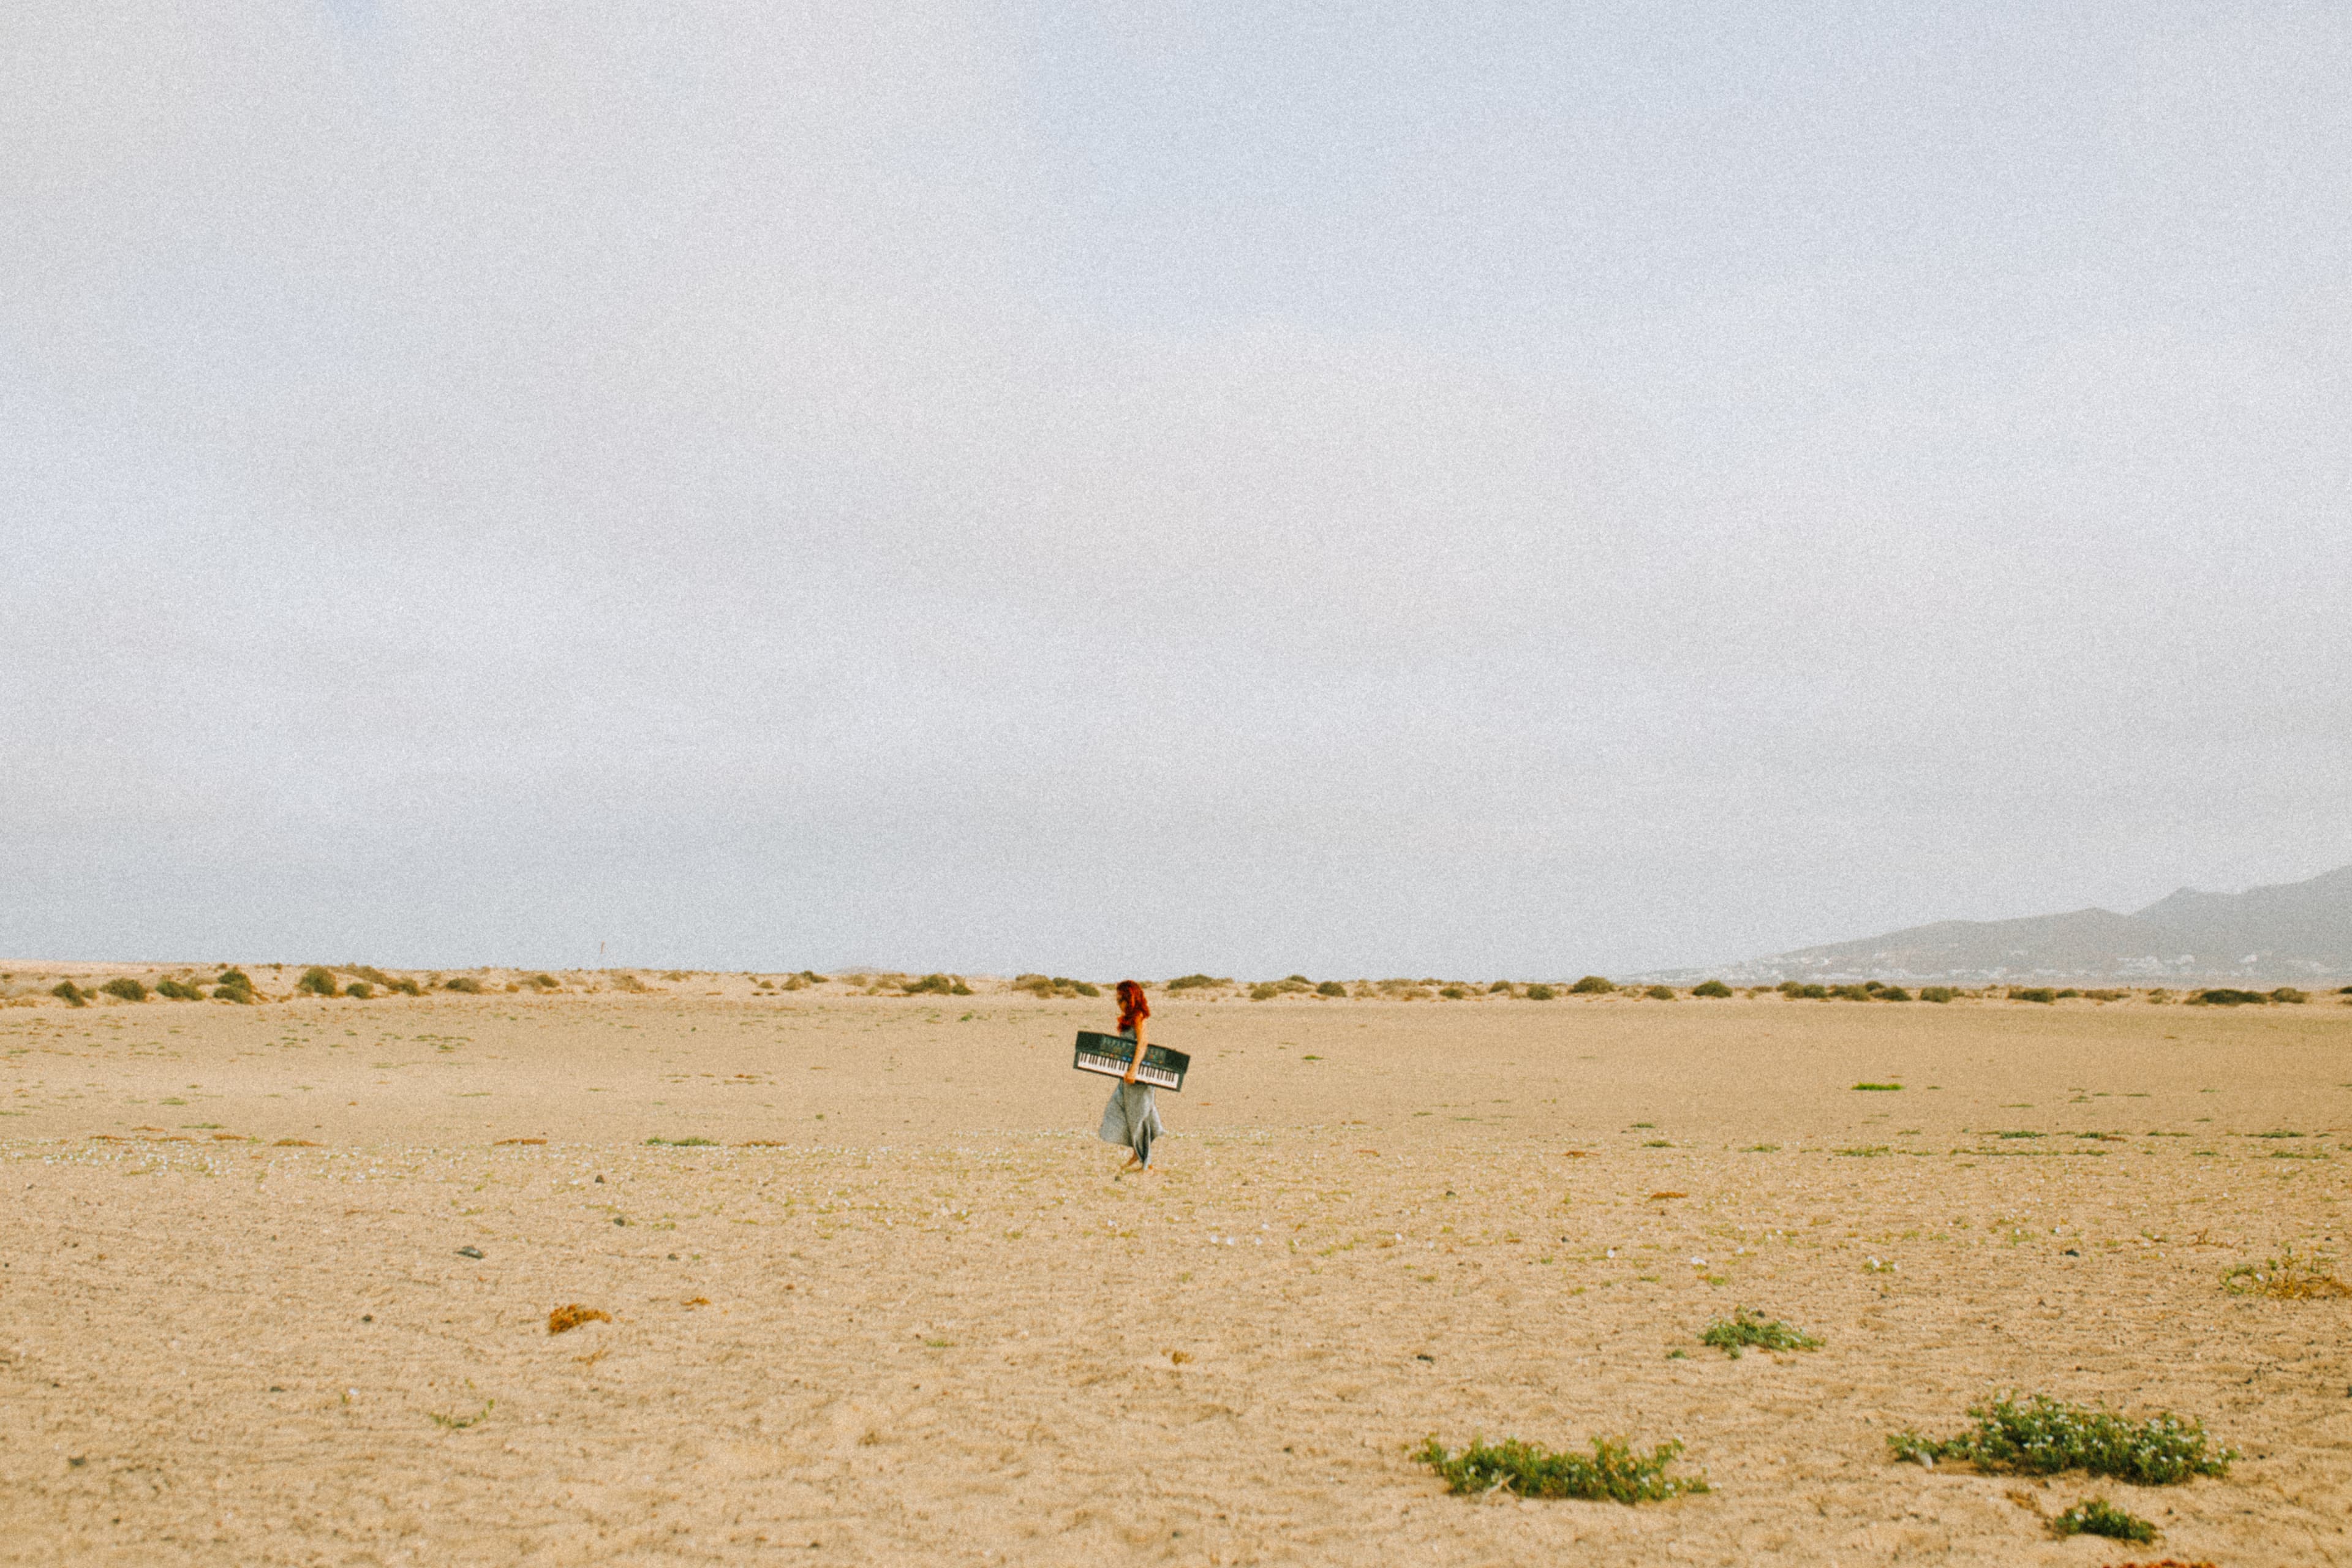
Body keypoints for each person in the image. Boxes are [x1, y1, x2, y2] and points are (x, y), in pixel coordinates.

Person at [1098, 979, 1164, 1175]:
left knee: (1141, 1116)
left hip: (1138, 1077)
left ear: (1130, 998)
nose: (1118, 1003)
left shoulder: (1140, 1017)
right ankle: (1138, 1154)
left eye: (1121, 1000)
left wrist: (1134, 1070)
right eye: (1117, 1000)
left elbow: (1142, 1044)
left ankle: (1146, 1161)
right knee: (1122, 1112)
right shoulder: (1126, 1018)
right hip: (1126, 1077)